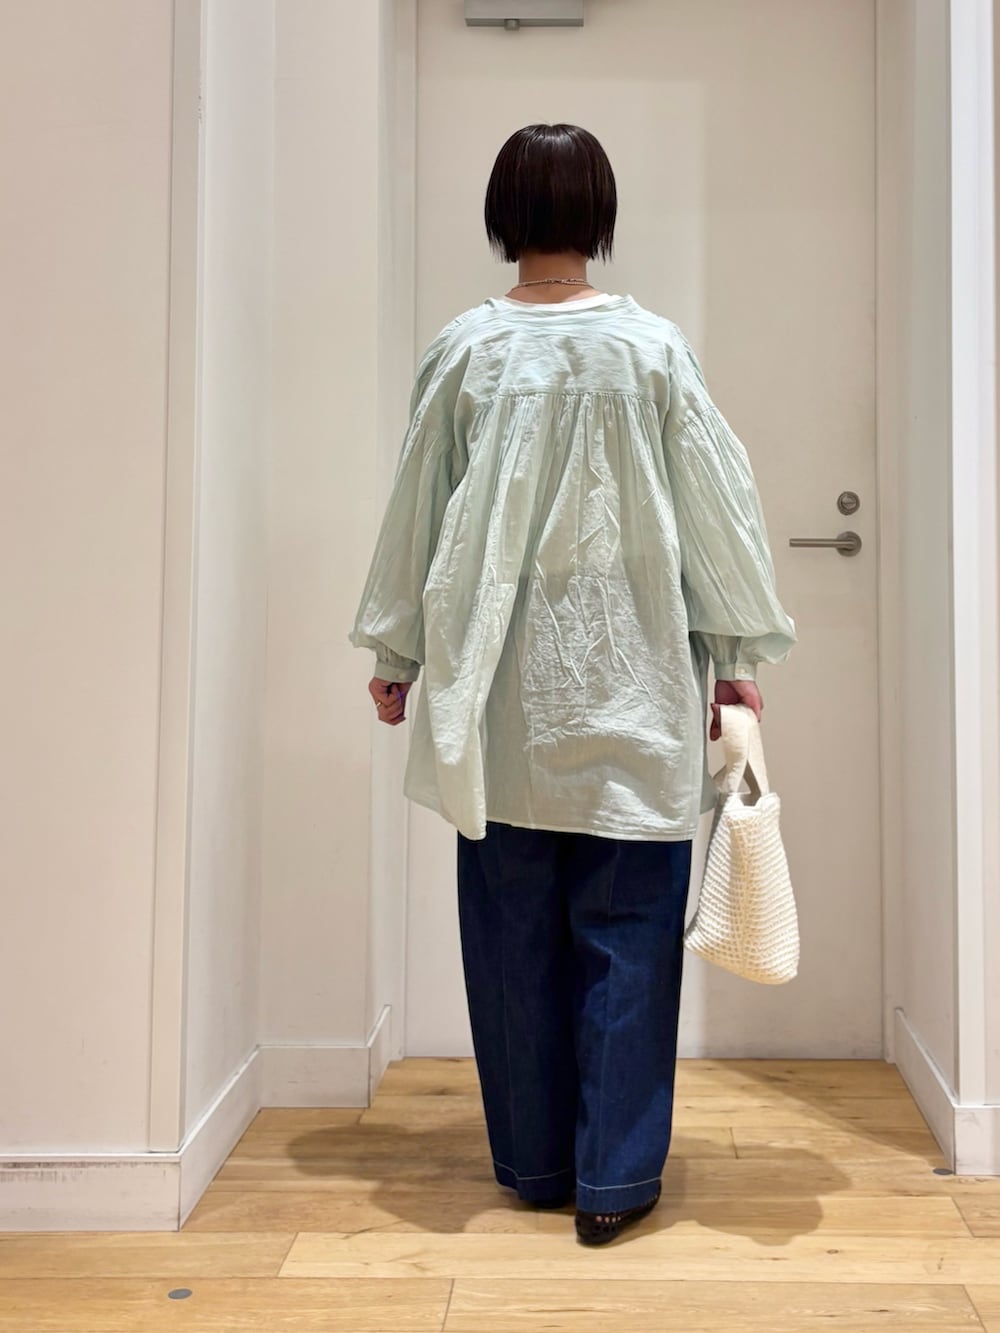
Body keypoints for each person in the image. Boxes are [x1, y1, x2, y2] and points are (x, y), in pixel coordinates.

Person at [349, 123, 796, 1245]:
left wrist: (397, 655)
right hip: (633, 685)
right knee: (628, 935)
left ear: (502, 215)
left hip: (500, 700)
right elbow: (718, 511)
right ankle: (615, 1182)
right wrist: (735, 659)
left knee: (511, 942)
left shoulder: (466, 349)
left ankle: (535, 1164)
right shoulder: (651, 350)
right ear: (600, 214)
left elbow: (416, 512)